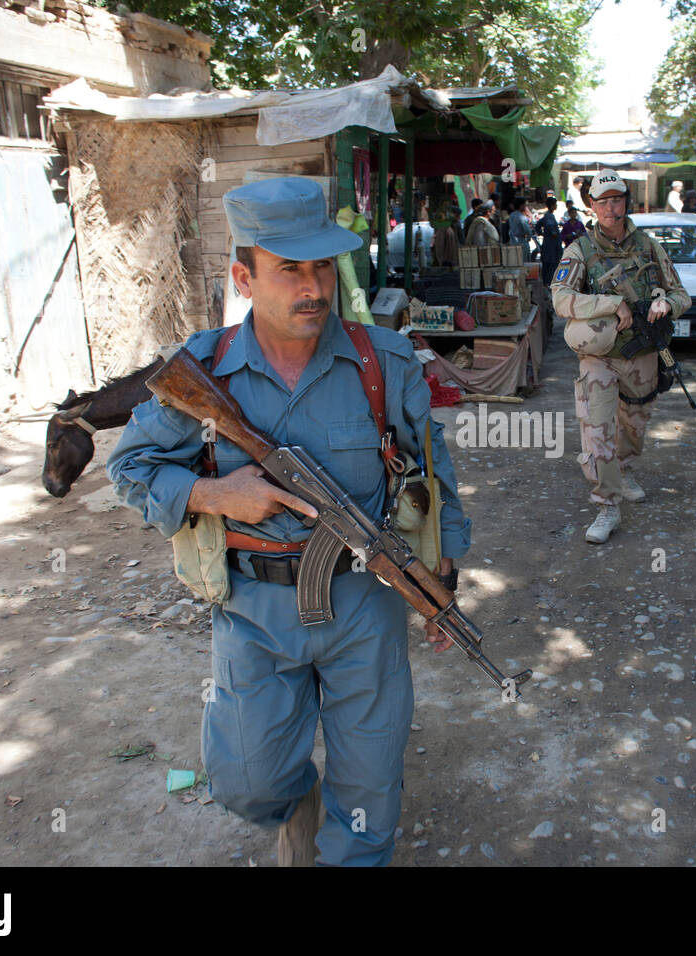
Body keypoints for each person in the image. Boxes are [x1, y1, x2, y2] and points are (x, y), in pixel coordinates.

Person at [105, 177, 469, 867]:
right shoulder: (204, 369)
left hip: (365, 607)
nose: (314, 288)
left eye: (323, 267)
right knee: (248, 784)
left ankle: (344, 841)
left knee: (368, 805)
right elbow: (130, 469)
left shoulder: (382, 362)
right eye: (289, 269)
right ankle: (298, 807)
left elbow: (434, 475)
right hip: (253, 609)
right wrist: (218, 495)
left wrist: (441, 579)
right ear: (244, 276)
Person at [550, 168, 690, 545]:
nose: (612, 208)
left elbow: (682, 294)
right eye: (604, 202)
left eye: (618, 200)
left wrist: (666, 303)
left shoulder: (648, 246)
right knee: (596, 431)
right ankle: (606, 505)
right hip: (599, 354)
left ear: (627, 202)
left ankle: (624, 469)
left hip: (643, 352)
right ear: (591, 206)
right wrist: (611, 303)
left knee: (635, 425)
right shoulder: (580, 249)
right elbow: (560, 298)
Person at [535, 197, 563, 285]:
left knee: (549, 264)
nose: (556, 206)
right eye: (555, 204)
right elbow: (553, 232)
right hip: (551, 244)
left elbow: (538, 225)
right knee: (550, 264)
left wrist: (541, 233)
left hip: (549, 243)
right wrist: (554, 233)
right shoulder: (549, 217)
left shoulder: (548, 216)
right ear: (551, 205)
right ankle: (548, 283)